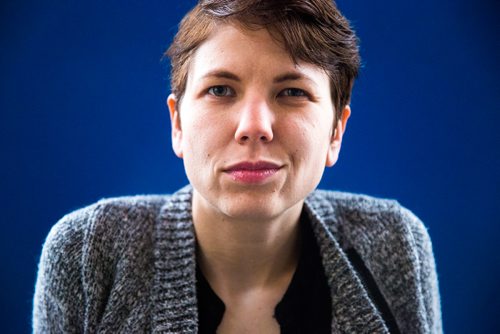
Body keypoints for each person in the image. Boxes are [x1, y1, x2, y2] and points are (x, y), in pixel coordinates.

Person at [33, 0, 442, 333]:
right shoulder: (88, 252)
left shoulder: (396, 242)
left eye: (292, 92)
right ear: (177, 124)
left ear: (336, 131)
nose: (254, 127)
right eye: (221, 90)